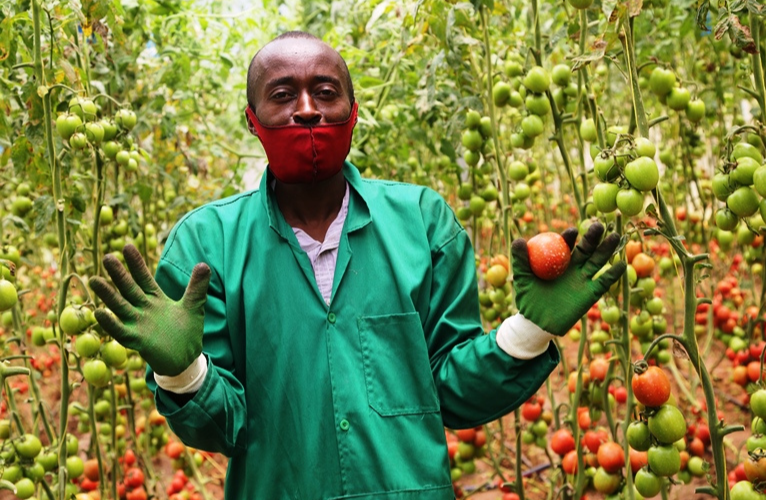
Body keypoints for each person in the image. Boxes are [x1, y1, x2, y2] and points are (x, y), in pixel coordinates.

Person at [89, 31, 625, 500]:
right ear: (253, 121)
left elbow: (450, 391)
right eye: (283, 95)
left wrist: (528, 331)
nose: (306, 109)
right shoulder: (206, 244)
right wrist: (183, 373)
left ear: (353, 110)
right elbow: (226, 426)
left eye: (325, 92)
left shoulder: (423, 222)